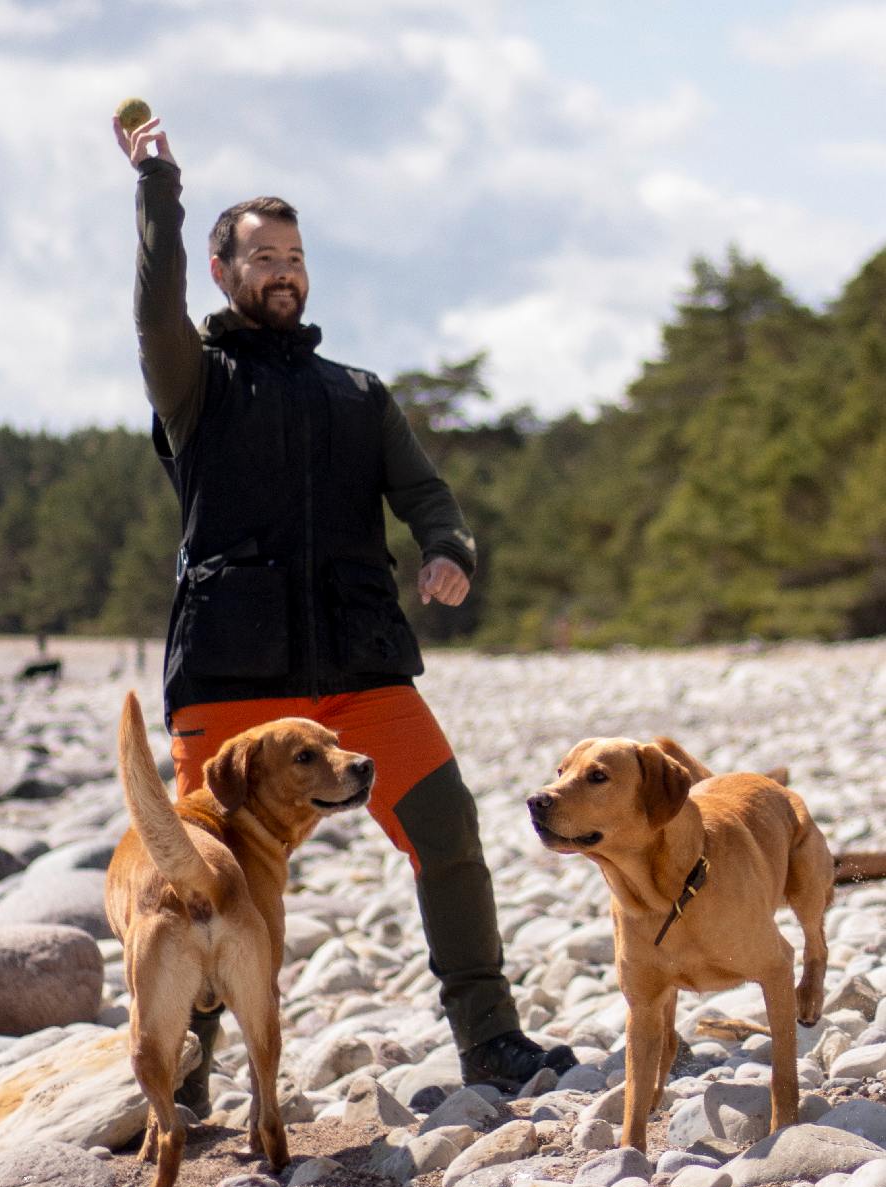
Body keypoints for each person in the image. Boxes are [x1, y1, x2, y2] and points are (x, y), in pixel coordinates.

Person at [114, 111, 577, 1101]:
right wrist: (156, 191)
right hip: (234, 676)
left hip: (360, 670)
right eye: (263, 256)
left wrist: (447, 547)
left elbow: (424, 495)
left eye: (295, 255)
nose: (284, 270)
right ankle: (187, 1073)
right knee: (201, 875)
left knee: (447, 828)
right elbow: (155, 311)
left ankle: (490, 1038)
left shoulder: (358, 393)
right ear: (223, 269)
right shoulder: (192, 380)